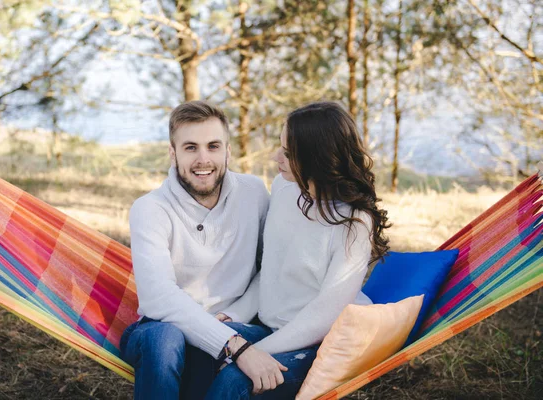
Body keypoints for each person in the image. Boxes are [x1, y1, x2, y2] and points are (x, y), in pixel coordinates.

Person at [203, 101, 391, 399]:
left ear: (317, 158)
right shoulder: (283, 187)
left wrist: (250, 353)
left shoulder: (354, 222)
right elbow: (271, 270)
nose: (276, 157)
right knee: (199, 348)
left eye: (288, 154)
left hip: (315, 342)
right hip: (267, 327)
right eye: (280, 147)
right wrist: (234, 314)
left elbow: (323, 316)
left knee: (234, 379)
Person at [120, 101, 285, 399]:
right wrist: (234, 346)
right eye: (191, 147)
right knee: (164, 339)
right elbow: (158, 299)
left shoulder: (254, 193)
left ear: (228, 151)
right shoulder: (150, 209)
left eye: (213, 146)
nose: (203, 159)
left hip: (239, 321)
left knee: (208, 351)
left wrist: (232, 316)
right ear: (173, 154)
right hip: (164, 329)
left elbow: (269, 270)